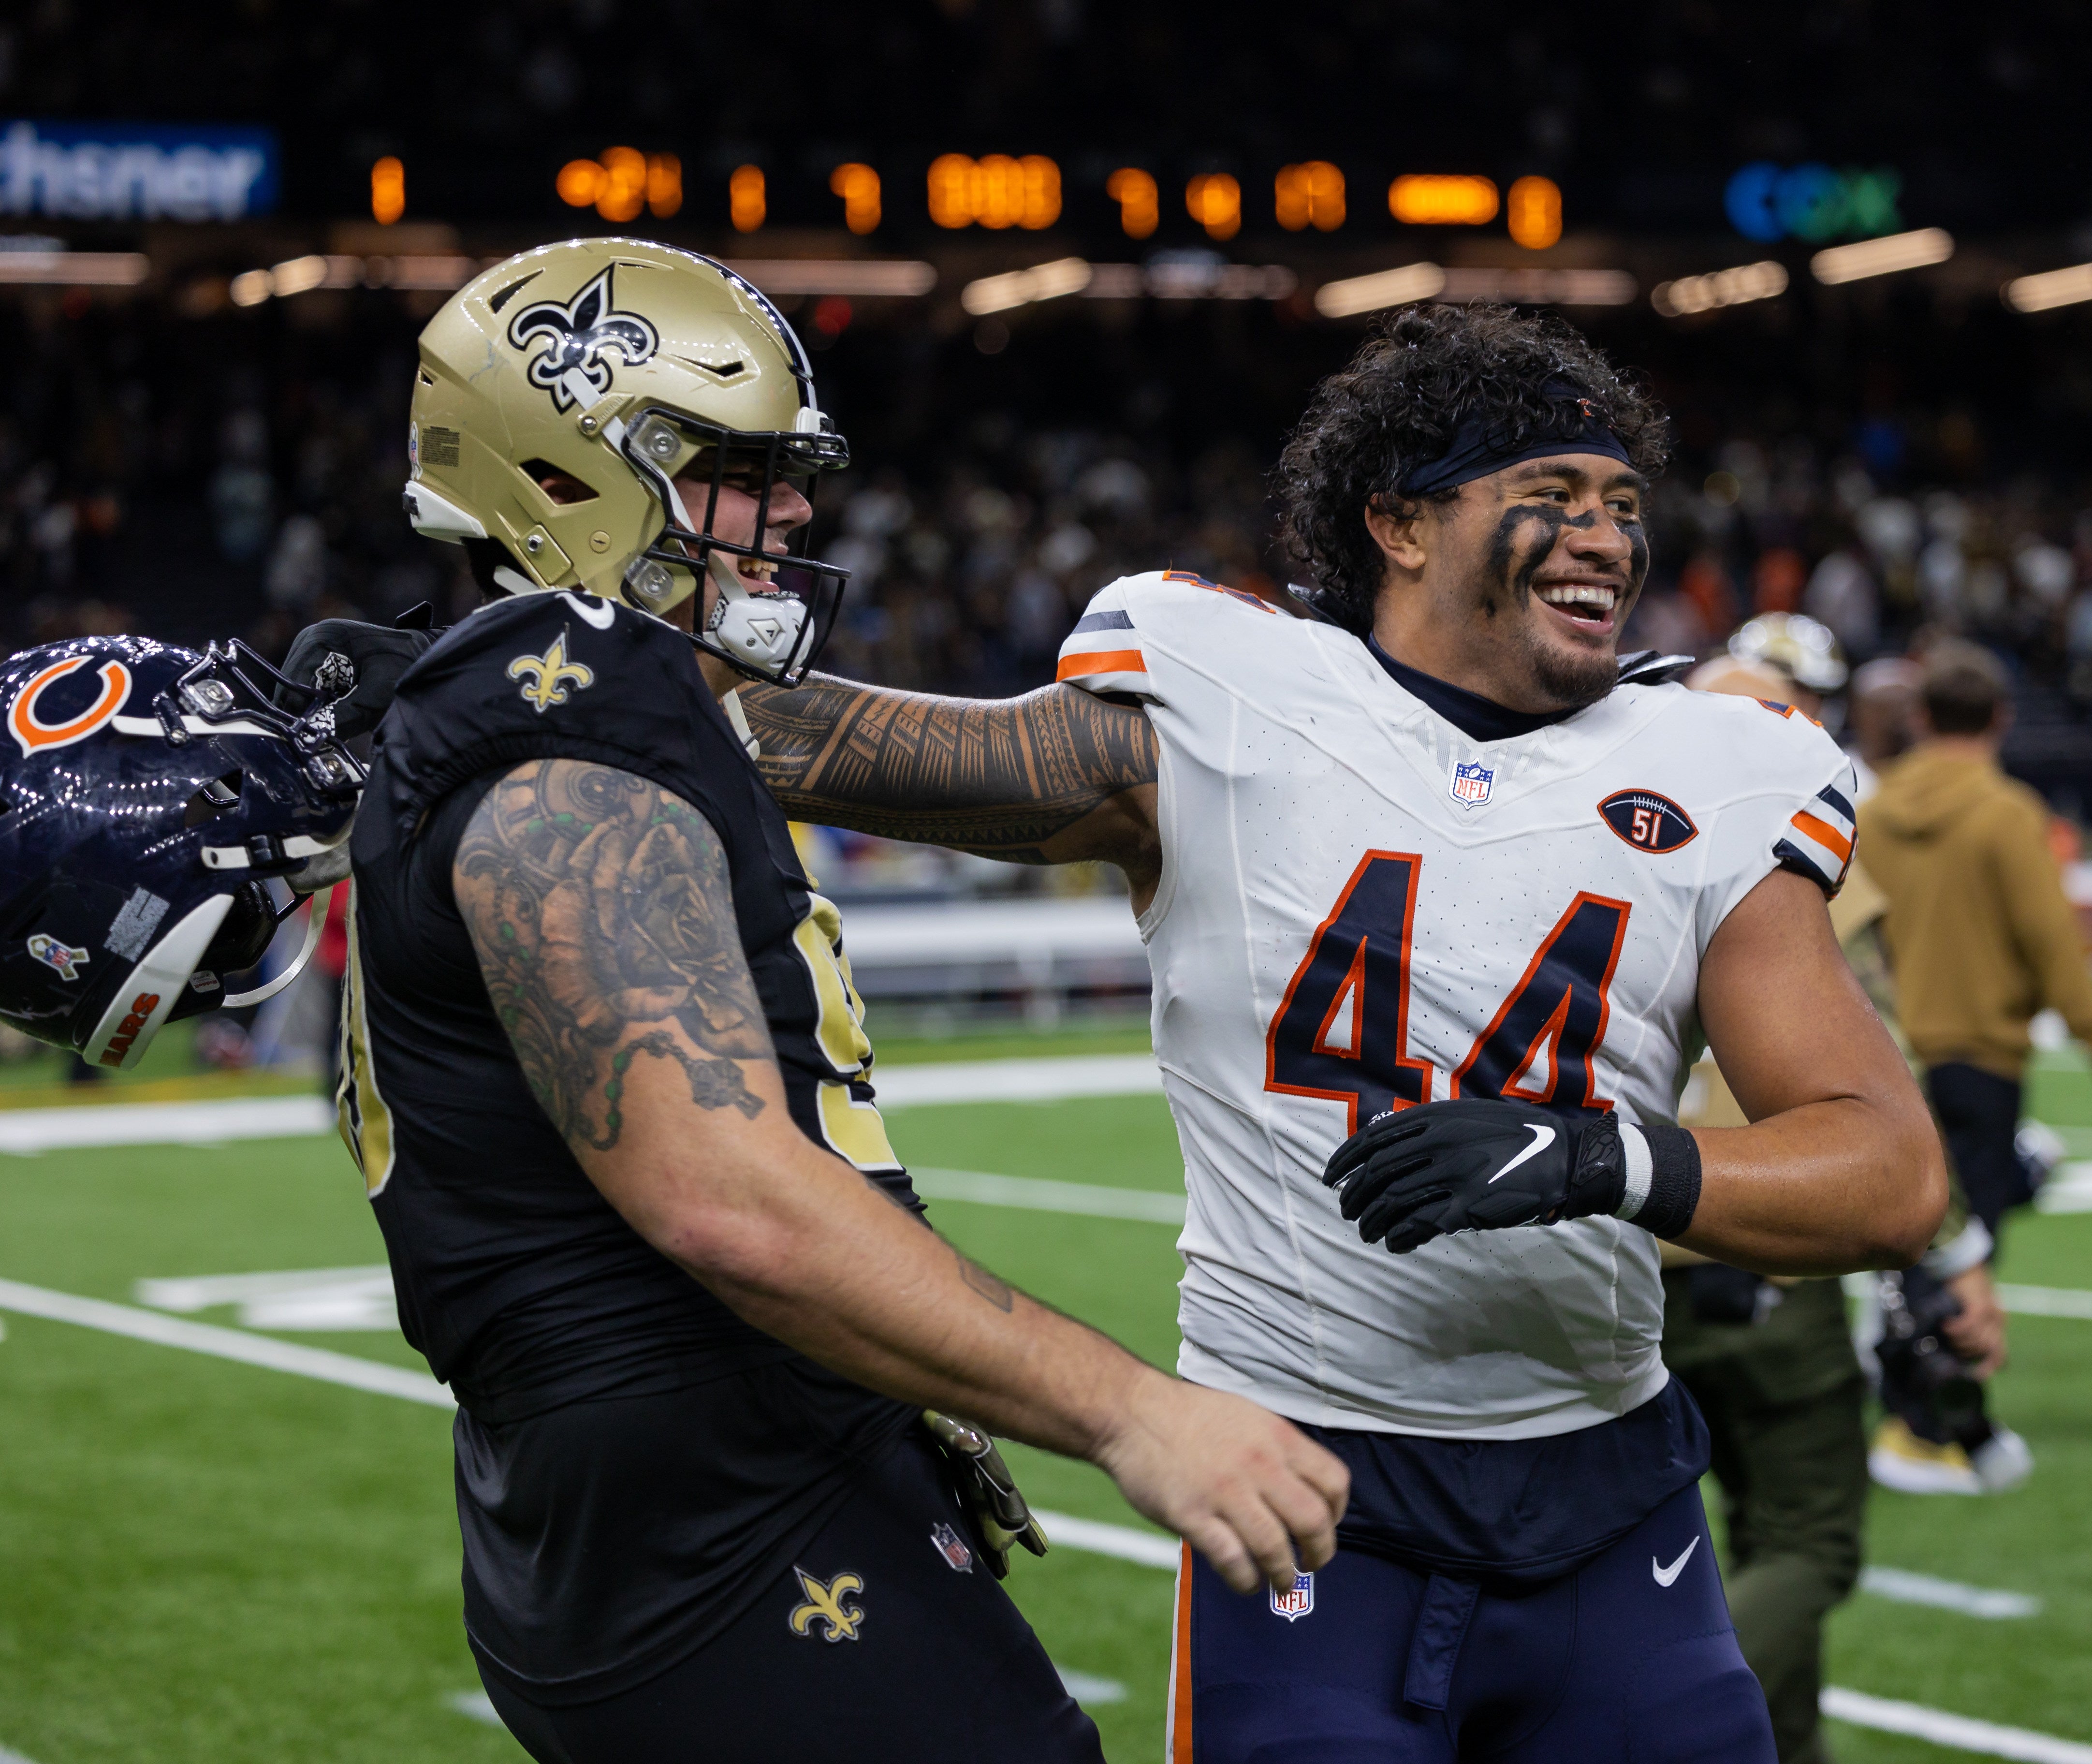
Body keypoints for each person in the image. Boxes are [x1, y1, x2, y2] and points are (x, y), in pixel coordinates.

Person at [718, 304, 1947, 1760]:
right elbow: (853, 746)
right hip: (1303, 1487)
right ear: (1399, 524)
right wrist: (521, 680)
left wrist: (1607, 1159)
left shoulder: (1716, 770)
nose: (1607, 538)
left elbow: (1891, 1174)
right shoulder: (1231, 700)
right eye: (1548, 497)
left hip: (1614, 1505)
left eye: (1624, 505)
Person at [338, 240, 1348, 1761]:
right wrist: (1136, 1411)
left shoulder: (601, 700)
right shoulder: (561, 776)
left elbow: (1024, 770)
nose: (796, 510)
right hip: (710, 1525)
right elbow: (729, 1200)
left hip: (690, 1483)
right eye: (746, 471)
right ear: (576, 478)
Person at [1666, 632, 2002, 1762]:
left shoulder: (1595, 823)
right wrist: (1953, 1258)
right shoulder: (1796, 846)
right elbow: (1873, 1083)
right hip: (1768, 1241)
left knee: (1662, 1544)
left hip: (1615, 1246)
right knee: (1808, 1543)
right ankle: (1675, 1730)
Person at [1853, 639, 2092, 1493]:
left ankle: (1914, 1410)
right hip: (1980, 1054)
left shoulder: (1870, 816)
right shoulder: (2007, 813)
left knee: (1914, 1234)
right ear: (2002, 719)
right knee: (1963, 1248)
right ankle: (1927, 1432)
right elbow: (2053, 945)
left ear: (1920, 718)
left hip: (1890, 1050)